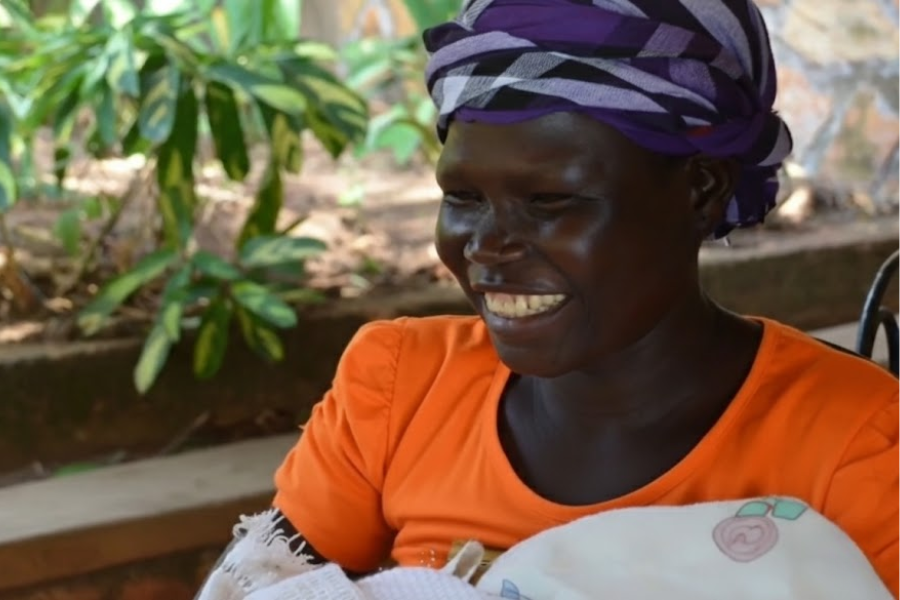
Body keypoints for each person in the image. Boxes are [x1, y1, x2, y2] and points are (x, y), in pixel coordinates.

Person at [197, 0, 899, 597]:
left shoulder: (857, 445)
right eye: (463, 197)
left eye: (550, 200)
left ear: (702, 189)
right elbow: (260, 584)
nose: (487, 245)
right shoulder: (397, 388)